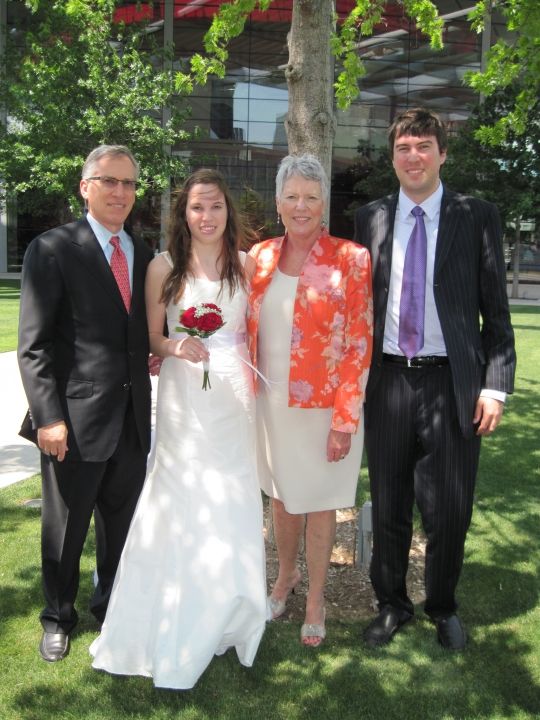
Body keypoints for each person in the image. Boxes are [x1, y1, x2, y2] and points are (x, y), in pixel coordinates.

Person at [90, 169, 267, 690]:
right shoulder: (161, 267)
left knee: (230, 495)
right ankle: (164, 613)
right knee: (179, 493)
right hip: (182, 394)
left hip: (233, 395)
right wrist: (173, 346)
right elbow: (151, 336)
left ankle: (231, 611)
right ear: (183, 214)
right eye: (196, 208)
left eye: (214, 206)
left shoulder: (246, 264)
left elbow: (258, 328)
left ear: (226, 211)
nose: (206, 217)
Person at [353, 108, 516, 651]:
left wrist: (494, 385)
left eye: (424, 146)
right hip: (389, 384)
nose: (413, 157)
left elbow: (496, 309)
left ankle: (442, 605)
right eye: (403, 148)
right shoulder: (370, 218)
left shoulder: (477, 215)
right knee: (391, 501)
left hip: (453, 386)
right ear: (393, 158)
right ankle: (392, 605)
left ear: (442, 153)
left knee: (448, 507)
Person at [17, 145, 154, 662]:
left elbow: (133, 330)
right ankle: (57, 617)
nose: (120, 192)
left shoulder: (141, 253)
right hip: (72, 422)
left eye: (128, 184)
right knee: (66, 530)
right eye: (109, 181)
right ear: (85, 187)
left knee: (120, 527)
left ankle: (111, 610)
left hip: (132, 420)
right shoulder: (52, 249)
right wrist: (48, 417)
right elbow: (33, 345)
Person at [247, 154, 373, 647]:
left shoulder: (351, 258)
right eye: (292, 196)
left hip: (326, 412)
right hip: (270, 409)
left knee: (320, 505)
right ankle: (284, 578)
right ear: (278, 203)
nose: (301, 206)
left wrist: (345, 421)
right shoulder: (257, 257)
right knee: (281, 499)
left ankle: (316, 597)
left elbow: (359, 344)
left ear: (324, 205)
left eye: (312, 196)